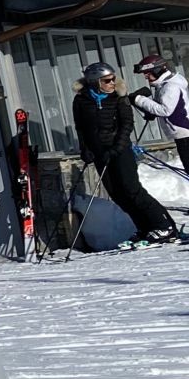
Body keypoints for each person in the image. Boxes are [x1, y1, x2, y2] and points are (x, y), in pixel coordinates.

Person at [72, 62, 177, 247]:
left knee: (131, 189)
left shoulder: (119, 97)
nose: (112, 82)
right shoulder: (81, 100)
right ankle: (145, 228)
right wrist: (85, 149)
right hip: (99, 153)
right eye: (107, 80)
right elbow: (81, 128)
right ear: (95, 82)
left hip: (119, 150)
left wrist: (117, 148)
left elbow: (127, 124)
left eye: (113, 78)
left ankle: (164, 226)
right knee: (117, 193)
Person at [132, 54, 189, 173]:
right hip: (182, 134)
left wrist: (139, 99)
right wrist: (151, 111)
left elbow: (165, 110)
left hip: (185, 134)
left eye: (148, 72)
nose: (146, 76)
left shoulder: (170, 86)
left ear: (158, 70)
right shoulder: (165, 84)